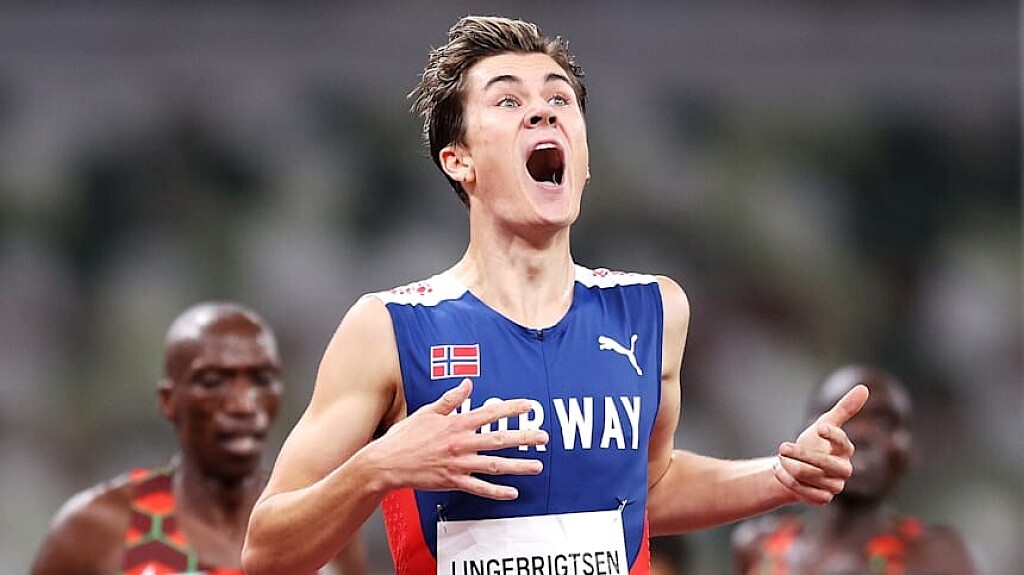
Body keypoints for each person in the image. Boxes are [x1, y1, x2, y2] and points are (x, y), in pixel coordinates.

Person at [242, 16, 869, 575]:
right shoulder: (389, 328)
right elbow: (266, 552)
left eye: (558, 99)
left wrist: (779, 476)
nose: (542, 113)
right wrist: (376, 468)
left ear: (584, 158)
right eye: (508, 100)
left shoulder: (653, 311)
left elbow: (649, 490)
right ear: (458, 160)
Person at [30, 302, 368, 575]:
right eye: (213, 382)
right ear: (168, 401)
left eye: (262, 380)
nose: (243, 404)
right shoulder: (94, 531)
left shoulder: (321, 523)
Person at [731, 364, 978, 575]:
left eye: (884, 423)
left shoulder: (937, 556)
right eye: (842, 419)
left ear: (909, 452)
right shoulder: (756, 546)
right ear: (802, 436)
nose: (861, 435)